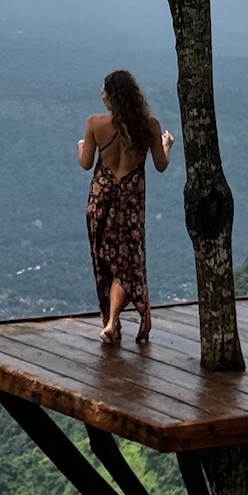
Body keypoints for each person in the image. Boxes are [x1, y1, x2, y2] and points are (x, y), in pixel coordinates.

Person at [77, 70, 173, 346]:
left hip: (101, 199)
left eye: (103, 92)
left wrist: (81, 147)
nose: (101, 96)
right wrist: (166, 146)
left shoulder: (95, 123)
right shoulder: (150, 127)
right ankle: (111, 323)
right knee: (127, 263)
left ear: (112, 97)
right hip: (129, 201)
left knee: (105, 261)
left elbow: (85, 164)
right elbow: (161, 165)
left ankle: (111, 322)